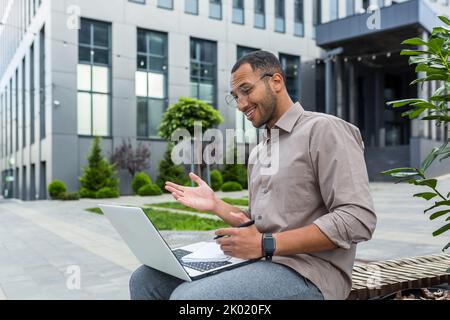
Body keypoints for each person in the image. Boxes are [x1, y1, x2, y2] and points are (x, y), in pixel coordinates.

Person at [129, 50, 377, 300]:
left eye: (246, 90)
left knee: (190, 298)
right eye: (235, 97)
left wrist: (265, 244)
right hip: (263, 261)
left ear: (276, 81)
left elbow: (357, 219)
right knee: (146, 278)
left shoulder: (324, 129)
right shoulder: (259, 152)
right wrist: (216, 205)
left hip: (311, 274)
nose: (241, 104)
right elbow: (262, 224)